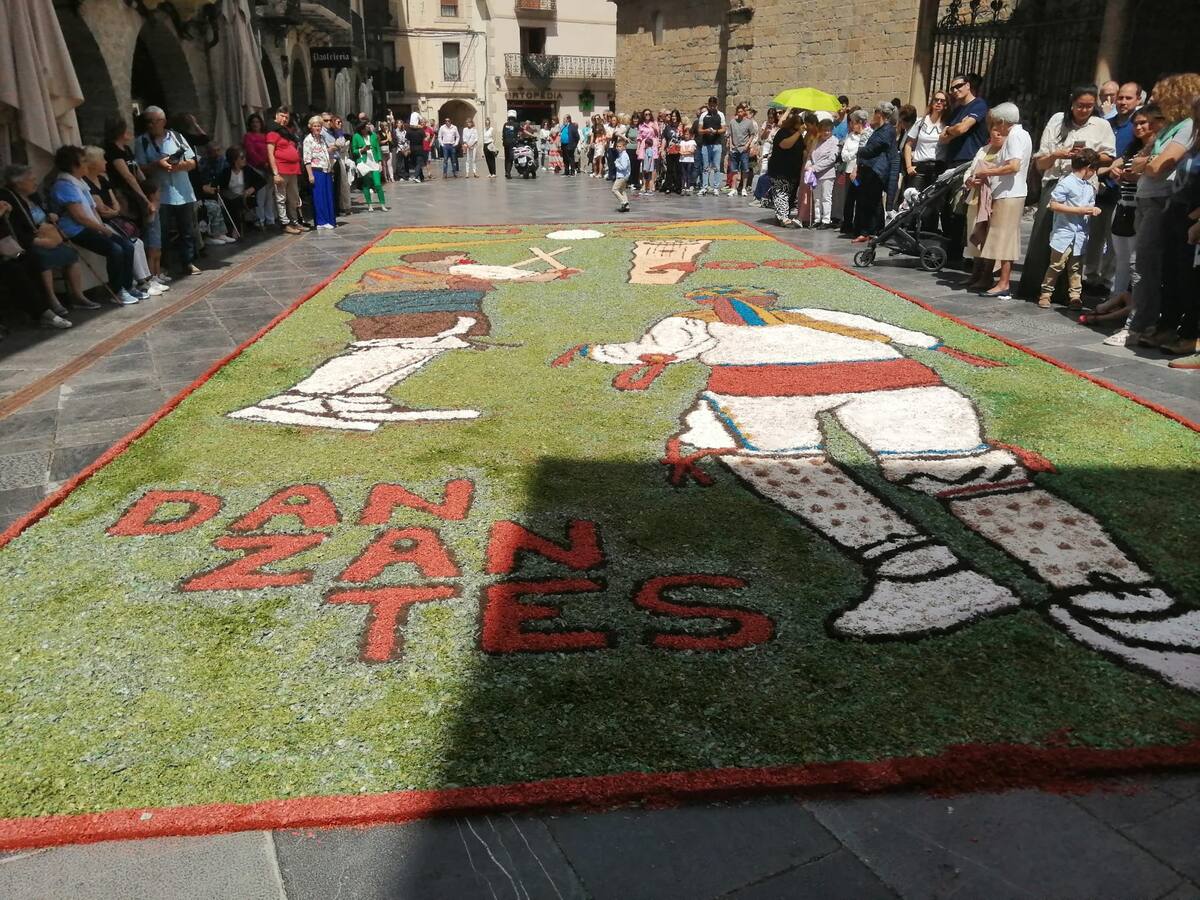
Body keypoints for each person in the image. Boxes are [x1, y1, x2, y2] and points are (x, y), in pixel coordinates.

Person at [1017, 86, 1115, 299]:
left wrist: (1089, 155)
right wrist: (1059, 154)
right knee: (1045, 235)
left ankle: (1068, 292)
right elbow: (1041, 161)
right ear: (1071, 103)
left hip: (1084, 185)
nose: (1084, 110)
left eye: (1089, 106)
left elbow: (1110, 157)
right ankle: (1037, 287)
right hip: (1056, 180)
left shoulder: (1102, 125)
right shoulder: (1057, 121)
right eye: (1080, 105)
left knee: (1076, 237)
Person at [50, 145, 142, 305]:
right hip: (76, 230)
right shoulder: (64, 185)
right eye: (83, 161)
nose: (87, 164)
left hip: (92, 225)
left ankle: (128, 286)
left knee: (128, 245)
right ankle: (117, 291)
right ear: (74, 165)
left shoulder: (79, 183)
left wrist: (101, 227)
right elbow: (79, 217)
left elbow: (92, 209)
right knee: (115, 249)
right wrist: (102, 229)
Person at [0, 164, 90, 324]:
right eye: (31, 179)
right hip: (26, 243)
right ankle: (50, 301)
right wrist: (38, 241)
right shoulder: (8, 197)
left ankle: (77, 295)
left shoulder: (33, 196)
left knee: (70, 253)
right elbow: (14, 230)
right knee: (37, 260)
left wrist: (50, 218)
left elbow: (42, 214)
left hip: (44, 235)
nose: (35, 182)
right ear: (18, 182)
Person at [1149, 95, 1200, 355]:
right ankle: (1167, 325)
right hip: (1177, 211)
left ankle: (1190, 333)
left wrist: (1196, 218)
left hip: (1193, 218)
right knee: (1171, 274)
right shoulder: (1195, 141)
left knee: (1190, 278)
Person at [964, 103, 1031, 299]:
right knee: (1003, 239)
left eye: (995, 122)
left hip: (1009, 194)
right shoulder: (1022, 134)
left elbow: (1014, 166)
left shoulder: (1015, 136)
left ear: (1002, 122)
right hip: (1010, 193)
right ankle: (1000, 281)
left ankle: (1003, 283)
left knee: (1004, 239)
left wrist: (987, 171)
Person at [1085, 82, 1142, 292]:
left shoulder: (1137, 125)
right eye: (1121, 98)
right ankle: (1090, 276)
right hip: (1100, 185)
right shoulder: (1105, 123)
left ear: (1138, 100)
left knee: (1114, 238)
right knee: (1094, 235)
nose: (1123, 102)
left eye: (1128, 98)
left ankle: (1107, 280)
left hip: (1121, 190)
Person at [134, 105, 199, 276]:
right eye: (147, 121)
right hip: (160, 195)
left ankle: (188, 262)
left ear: (162, 122)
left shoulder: (177, 137)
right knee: (161, 233)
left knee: (187, 230)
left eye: (153, 121)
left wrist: (178, 166)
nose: (150, 125)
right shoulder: (142, 141)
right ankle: (165, 266)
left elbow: (192, 162)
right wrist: (157, 164)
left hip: (183, 191)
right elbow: (139, 168)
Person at [1038, 148, 1102, 310]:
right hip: (1064, 232)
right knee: (1056, 265)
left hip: (1080, 234)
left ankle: (1075, 296)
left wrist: (1093, 209)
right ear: (1088, 168)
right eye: (1093, 170)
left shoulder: (1088, 187)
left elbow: (1089, 205)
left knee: (1076, 267)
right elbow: (1054, 204)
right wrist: (1079, 211)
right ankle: (1046, 293)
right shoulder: (1067, 182)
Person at [939, 74, 990, 268]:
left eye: (958, 86)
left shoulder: (978, 105)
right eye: (952, 88)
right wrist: (954, 129)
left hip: (968, 161)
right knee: (948, 208)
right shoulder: (957, 110)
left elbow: (961, 130)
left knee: (961, 208)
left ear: (968, 86)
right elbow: (943, 137)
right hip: (953, 161)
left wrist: (952, 130)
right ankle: (952, 249)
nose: (955, 90)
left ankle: (963, 254)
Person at [851, 102, 897, 242]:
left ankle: (872, 232)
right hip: (870, 170)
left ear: (880, 114)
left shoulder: (888, 130)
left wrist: (858, 151)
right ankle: (871, 232)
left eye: (875, 113)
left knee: (872, 202)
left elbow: (872, 149)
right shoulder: (880, 129)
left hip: (877, 171)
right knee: (871, 202)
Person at [903, 91, 948, 231]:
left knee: (933, 204)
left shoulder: (947, 124)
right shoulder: (921, 122)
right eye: (936, 100)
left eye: (942, 101)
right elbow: (908, 144)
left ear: (946, 105)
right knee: (913, 200)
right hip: (920, 167)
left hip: (937, 167)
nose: (939, 103)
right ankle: (908, 234)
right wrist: (909, 166)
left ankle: (928, 236)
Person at [263, 106, 305, 235]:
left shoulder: (286, 132)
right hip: (281, 169)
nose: (284, 119)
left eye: (287, 117)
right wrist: (275, 173)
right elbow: (270, 153)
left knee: (293, 197)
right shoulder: (273, 132)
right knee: (281, 198)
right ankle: (284, 223)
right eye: (282, 116)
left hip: (293, 169)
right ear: (276, 116)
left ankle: (294, 221)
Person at [768, 109, 804, 228]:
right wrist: (798, 133)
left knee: (789, 194)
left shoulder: (798, 135)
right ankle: (783, 217)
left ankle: (782, 215)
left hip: (792, 170)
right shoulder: (783, 132)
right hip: (780, 170)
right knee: (781, 192)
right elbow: (785, 144)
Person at [192, 142, 233, 245]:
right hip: (198, 195)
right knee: (212, 207)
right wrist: (204, 187)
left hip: (214, 190)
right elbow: (199, 181)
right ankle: (208, 235)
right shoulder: (202, 163)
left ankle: (220, 233)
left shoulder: (222, 161)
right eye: (213, 152)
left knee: (217, 205)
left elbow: (225, 177)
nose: (216, 153)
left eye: (218, 151)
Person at [839, 109, 871, 236]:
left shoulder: (866, 136)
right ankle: (847, 223)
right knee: (848, 199)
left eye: (854, 122)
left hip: (858, 173)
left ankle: (857, 224)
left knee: (858, 197)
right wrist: (855, 153)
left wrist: (854, 155)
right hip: (848, 172)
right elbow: (844, 155)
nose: (852, 125)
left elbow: (863, 154)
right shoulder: (850, 136)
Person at [218, 147, 264, 235]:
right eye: (242, 158)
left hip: (246, 198)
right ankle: (238, 226)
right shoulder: (226, 172)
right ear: (235, 160)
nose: (244, 160)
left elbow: (262, 181)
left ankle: (239, 226)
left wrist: (252, 189)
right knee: (234, 203)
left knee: (239, 202)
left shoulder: (247, 170)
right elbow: (220, 186)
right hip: (231, 199)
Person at [242, 113, 276, 229]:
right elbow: (251, 152)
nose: (255, 124)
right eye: (253, 122)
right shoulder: (248, 136)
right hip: (257, 168)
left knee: (269, 195)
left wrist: (271, 164)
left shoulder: (266, 135)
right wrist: (263, 164)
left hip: (269, 168)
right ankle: (260, 220)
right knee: (260, 195)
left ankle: (270, 219)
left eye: (257, 122)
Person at [302, 115, 336, 229]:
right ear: (310, 127)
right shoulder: (308, 140)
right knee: (319, 196)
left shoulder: (321, 138)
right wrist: (310, 174)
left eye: (319, 126)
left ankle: (329, 220)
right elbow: (307, 159)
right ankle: (321, 222)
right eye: (315, 126)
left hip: (326, 169)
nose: (317, 128)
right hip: (317, 170)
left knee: (328, 196)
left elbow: (323, 152)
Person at [806, 119, 839, 227]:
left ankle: (826, 219)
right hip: (815, 175)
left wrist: (815, 168)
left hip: (827, 174)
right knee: (817, 198)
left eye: (829, 130)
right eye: (824, 130)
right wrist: (808, 164)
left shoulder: (834, 141)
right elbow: (810, 155)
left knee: (826, 197)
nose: (826, 132)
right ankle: (817, 219)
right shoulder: (816, 140)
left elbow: (831, 160)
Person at [351, 120, 388, 211]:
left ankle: (382, 204)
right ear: (361, 129)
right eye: (364, 127)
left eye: (367, 127)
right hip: (364, 163)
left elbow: (378, 149)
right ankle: (369, 205)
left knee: (378, 184)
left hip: (374, 162)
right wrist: (362, 150)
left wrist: (379, 161)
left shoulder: (373, 136)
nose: (366, 129)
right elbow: (354, 150)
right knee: (366, 184)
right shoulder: (356, 137)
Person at [697, 96, 726, 195]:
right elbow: (699, 130)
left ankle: (716, 187)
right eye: (711, 105)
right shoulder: (704, 115)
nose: (712, 107)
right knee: (705, 167)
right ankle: (704, 186)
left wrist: (716, 131)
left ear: (716, 105)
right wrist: (707, 130)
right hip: (706, 144)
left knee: (717, 167)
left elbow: (724, 129)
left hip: (717, 144)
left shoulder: (720, 115)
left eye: (714, 105)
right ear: (708, 105)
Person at [727, 104, 756, 196]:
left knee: (745, 169)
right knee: (734, 169)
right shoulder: (732, 122)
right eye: (738, 112)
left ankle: (743, 188)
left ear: (744, 112)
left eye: (741, 112)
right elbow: (730, 134)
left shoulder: (748, 122)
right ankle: (733, 188)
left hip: (744, 148)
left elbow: (752, 134)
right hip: (735, 148)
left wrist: (748, 145)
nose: (739, 114)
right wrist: (731, 145)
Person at [612, 135, 631, 212]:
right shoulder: (621, 154)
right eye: (617, 146)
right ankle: (627, 206)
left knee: (614, 189)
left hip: (622, 176)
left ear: (624, 147)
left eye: (620, 146)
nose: (618, 148)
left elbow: (624, 167)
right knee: (622, 190)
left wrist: (616, 163)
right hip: (623, 175)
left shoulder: (623, 155)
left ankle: (624, 202)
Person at [406, 118, 427, 182]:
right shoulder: (421, 130)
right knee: (419, 163)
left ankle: (422, 177)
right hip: (419, 148)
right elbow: (425, 139)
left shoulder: (409, 131)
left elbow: (407, 140)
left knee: (416, 163)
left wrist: (408, 148)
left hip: (412, 148)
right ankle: (415, 176)